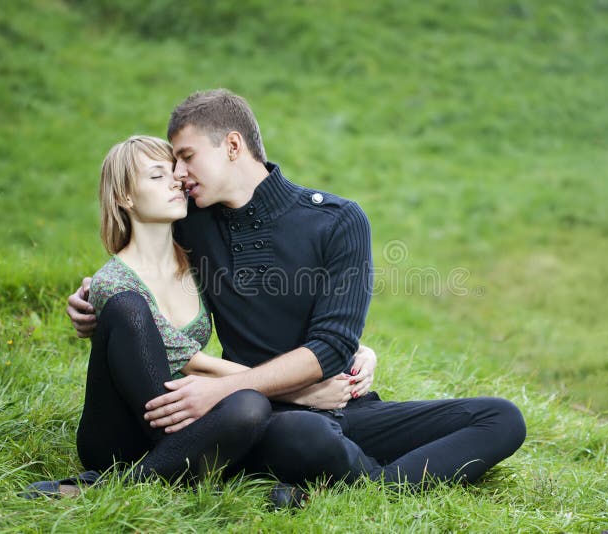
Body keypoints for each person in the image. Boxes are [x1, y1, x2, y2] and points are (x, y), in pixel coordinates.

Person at [68, 89, 526, 489]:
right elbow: (140, 272)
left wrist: (356, 349)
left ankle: (375, 483)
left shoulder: (338, 221)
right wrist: (96, 302)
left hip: (343, 404)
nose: (180, 175)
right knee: (301, 436)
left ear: (232, 146)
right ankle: (364, 481)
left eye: (186, 157)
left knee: (501, 417)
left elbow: (330, 346)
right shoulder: (194, 222)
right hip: (268, 415)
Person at [48, 135, 376, 499]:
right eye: (158, 177)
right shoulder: (114, 283)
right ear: (125, 196)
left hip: (186, 420)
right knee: (250, 401)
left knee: (248, 406)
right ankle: (104, 488)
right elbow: (193, 363)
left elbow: (261, 313)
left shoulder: (196, 267)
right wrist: (304, 391)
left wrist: (348, 348)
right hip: (125, 432)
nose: (176, 181)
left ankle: (185, 482)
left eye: (175, 173)